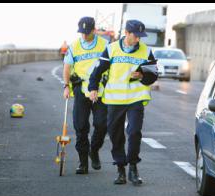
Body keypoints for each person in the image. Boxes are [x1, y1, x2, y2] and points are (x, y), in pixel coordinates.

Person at [88, 19, 158, 185]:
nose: (138, 39)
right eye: (136, 35)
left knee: (134, 132)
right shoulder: (111, 50)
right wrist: (93, 88)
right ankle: (121, 170)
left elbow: (153, 74)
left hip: (136, 98)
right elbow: (97, 71)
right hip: (115, 99)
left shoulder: (146, 51)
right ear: (126, 33)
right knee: (116, 135)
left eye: (141, 36)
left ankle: (133, 167)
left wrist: (142, 75)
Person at [63, 16, 109, 174]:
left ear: (94, 30)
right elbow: (67, 67)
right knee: (80, 126)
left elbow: (111, 65)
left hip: (101, 90)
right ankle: (83, 162)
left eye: (87, 32)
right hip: (81, 89)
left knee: (102, 124)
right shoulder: (74, 46)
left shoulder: (105, 44)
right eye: (81, 32)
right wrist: (66, 86)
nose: (84, 35)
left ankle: (94, 150)